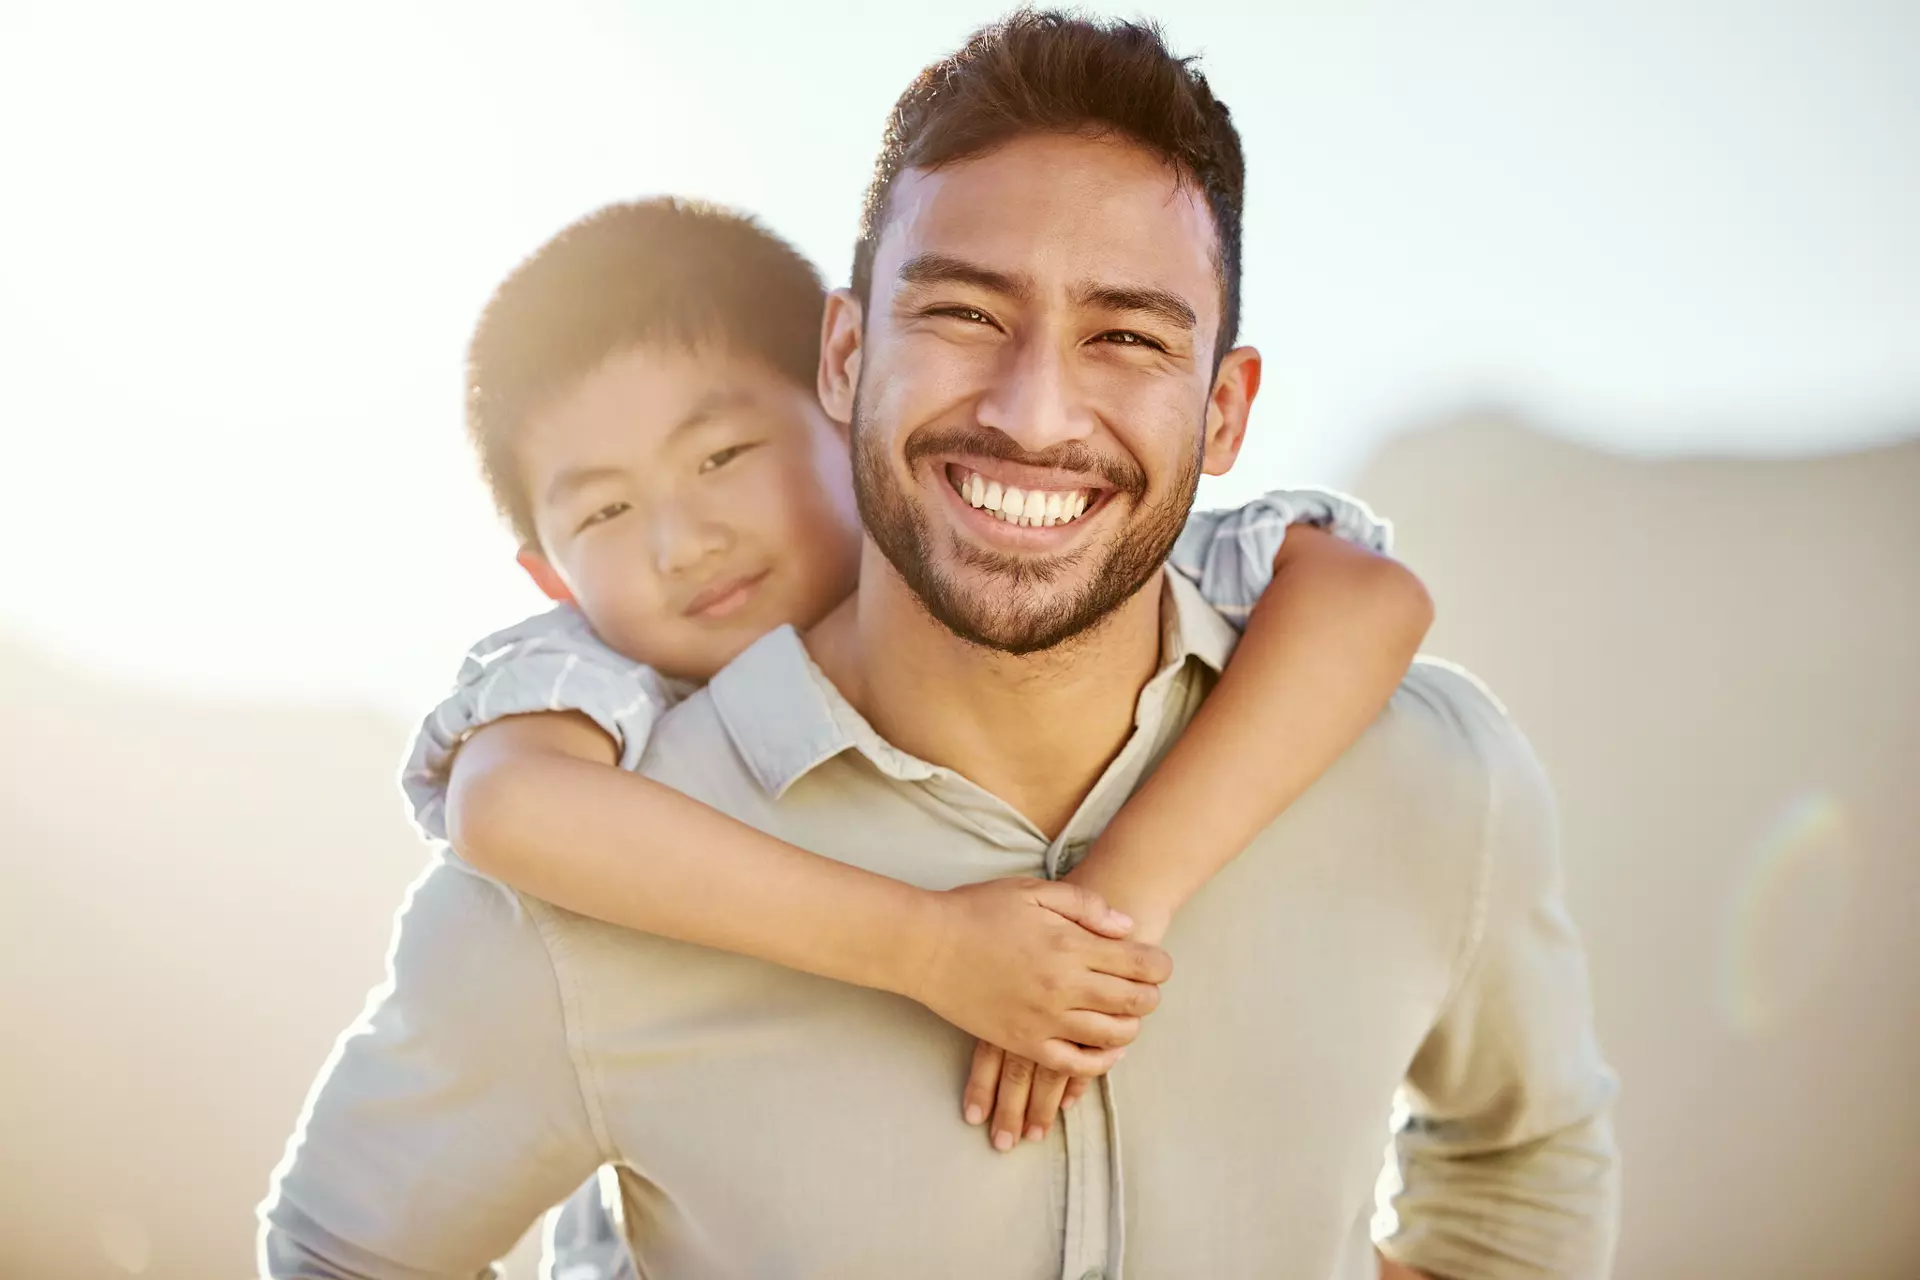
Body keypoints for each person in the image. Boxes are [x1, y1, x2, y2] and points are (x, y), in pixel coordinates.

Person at [262, 13, 1619, 1280]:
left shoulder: (1430, 775)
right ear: (845, 355)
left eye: (1127, 337)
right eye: (963, 313)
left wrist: (1124, 900)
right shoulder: (596, 871)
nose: (1035, 412)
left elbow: (1521, 1168)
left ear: (1224, 412)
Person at [399, 194, 1425, 1280]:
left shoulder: (1030, 558)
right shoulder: (608, 673)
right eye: (603, 513)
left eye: (723, 454)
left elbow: (1366, 598)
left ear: (852, 394)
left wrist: (1119, 898)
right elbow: (509, 806)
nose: (681, 540)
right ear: (552, 576)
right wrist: (930, 946)